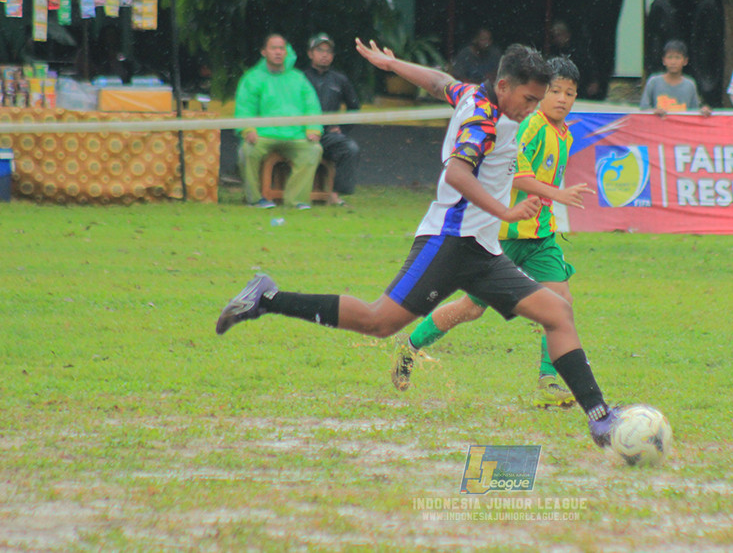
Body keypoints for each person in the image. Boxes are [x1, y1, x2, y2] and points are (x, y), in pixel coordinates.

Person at [216, 40, 623, 447]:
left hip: (482, 250)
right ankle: (266, 298)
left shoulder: (470, 93)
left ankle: (600, 419)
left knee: (557, 313)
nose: (533, 107)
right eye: (529, 98)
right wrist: (505, 213)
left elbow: (438, 82)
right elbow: (458, 176)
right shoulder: (483, 121)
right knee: (379, 322)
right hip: (448, 242)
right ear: (503, 86)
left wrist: (392, 64)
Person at [390, 56, 595, 407]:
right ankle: (410, 346)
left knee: (561, 302)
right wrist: (555, 194)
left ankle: (549, 380)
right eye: (555, 91)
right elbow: (516, 175)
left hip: (540, 237)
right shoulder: (527, 126)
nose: (562, 98)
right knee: (470, 309)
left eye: (570, 93)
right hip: (503, 235)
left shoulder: (565, 134)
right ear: (540, 94)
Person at [235, 33, 323, 210]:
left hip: (296, 135)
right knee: (247, 151)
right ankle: (255, 200)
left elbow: (312, 106)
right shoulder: (252, 78)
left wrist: (313, 128)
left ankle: (296, 201)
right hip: (263, 135)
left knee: (314, 150)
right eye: (273, 48)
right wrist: (247, 129)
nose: (278, 52)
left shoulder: (299, 78)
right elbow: (245, 108)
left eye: (281, 48)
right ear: (263, 52)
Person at [303, 33, 361, 206]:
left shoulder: (340, 80)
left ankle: (334, 194)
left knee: (350, 148)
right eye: (319, 50)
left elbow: (354, 107)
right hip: (301, 132)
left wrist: (342, 129)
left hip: (328, 135)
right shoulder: (300, 78)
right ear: (310, 54)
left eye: (328, 51)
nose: (324, 54)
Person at [639, 39, 712, 117]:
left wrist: (704, 110)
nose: (673, 62)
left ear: (685, 61)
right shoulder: (653, 82)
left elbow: (694, 112)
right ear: (664, 60)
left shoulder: (690, 85)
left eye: (677, 58)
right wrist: (654, 111)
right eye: (670, 57)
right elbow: (644, 109)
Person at [550, 20, 600, 99]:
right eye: (554, 36)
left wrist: (593, 82)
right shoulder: (553, 51)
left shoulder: (579, 50)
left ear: (567, 35)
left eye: (559, 35)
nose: (557, 38)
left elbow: (590, 66)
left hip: (580, 87)